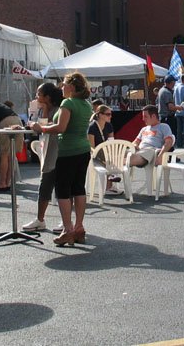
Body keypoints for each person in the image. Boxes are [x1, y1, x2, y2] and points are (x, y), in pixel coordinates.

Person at [30, 72, 92, 246]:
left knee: (63, 191)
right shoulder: (86, 104)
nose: (61, 87)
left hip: (68, 151)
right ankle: (79, 227)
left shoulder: (68, 102)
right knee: (79, 188)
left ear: (71, 87)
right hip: (83, 149)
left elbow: (61, 127)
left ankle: (67, 229)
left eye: (64, 84)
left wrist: (40, 128)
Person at [23, 83, 63, 233]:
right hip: (47, 150)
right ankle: (40, 219)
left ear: (47, 97)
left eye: (38, 94)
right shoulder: (43, 110)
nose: (36, 97)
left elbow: (46, 126)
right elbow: (41, 126)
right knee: (44, 186)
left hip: (59, 151)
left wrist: (41, 118)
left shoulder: (60, 110)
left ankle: (65, 221)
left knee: (61, 189)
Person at [128, 105, 175, 170]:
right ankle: (117, 162)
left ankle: (120, 162)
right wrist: (135, 145)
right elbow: (135, 142)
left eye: (145, 117)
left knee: (142, 154)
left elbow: (169, 142)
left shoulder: (163, 127)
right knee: (121, 153)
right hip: (139, 151)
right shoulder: (143, 129)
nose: (143, 119)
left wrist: (161, 155)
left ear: (153, 116)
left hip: (151, 151)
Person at [88, 104, 120, 195]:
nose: (111, 116)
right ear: (101, 115)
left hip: (107, 152)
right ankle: (110, 182)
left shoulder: (109, 126)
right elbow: (92, 147)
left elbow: (111, 141)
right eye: (108, 114)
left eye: (110, 114)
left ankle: (112, 177)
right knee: (107, 155)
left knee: (123, 152)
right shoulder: (92, 127)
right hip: (95, 154)